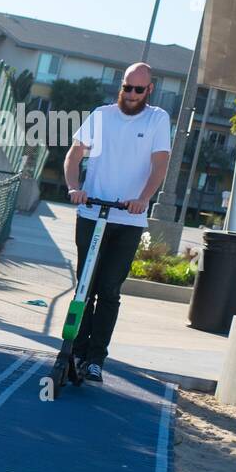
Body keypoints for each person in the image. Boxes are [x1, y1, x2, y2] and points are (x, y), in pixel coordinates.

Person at [62, 62, 172, 382]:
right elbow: (74, 154)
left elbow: (159, 164)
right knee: (86, 286)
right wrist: (73, 188)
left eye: (139, 89)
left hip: (128, 219)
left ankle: (96, 358)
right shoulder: (101, 115)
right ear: (120, 86)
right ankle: (76, 349)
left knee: (109, 289)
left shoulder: (157, 119)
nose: (132, 94)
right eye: (127, 87)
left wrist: (144, 198)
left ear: (149, 90)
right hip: (91, 212)